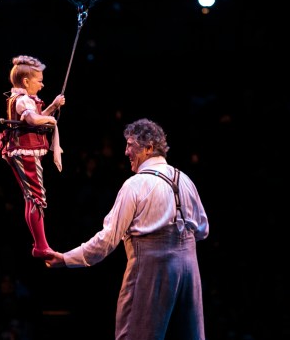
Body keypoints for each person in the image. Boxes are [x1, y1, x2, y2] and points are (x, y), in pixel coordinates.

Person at [44, 118, 209, 340]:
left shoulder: (135, 185)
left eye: (130, 145)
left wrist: (66, 258)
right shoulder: (185, 180)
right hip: (189, 272)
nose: (125, 151)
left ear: (149, 147)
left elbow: (107, 240)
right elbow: (203, 230)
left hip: (150, 271)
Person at [0, 55, 65, 259]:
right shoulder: (22, 100)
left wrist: (53, 106)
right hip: (25, 152)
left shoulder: (25, 99)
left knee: (32, 197)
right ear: (26, 82)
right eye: (39, 80)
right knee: (36, 197)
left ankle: (40, 245)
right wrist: (50, 120)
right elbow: (33, 119)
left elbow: (36, 117)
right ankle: (41, 246)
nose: (42, 85)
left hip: (25, 151)